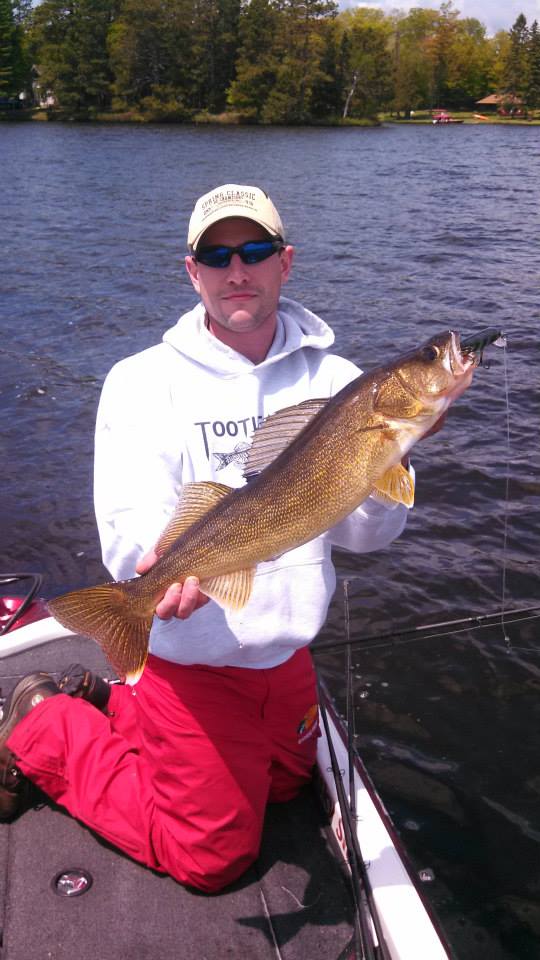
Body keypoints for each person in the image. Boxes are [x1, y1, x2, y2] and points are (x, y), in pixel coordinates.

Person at [1, 184, 415, 892]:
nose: (237, 270)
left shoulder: (341, 382)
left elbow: (369, 536)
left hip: (285, 659)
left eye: (254, 251)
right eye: (215, 255)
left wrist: (391, 459)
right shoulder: (141, 382)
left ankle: (122, 707)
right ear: (191, 271)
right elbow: (130, 524)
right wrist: (151, 574)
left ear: (286, 262)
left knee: (288, 789)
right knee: (213, 858)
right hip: (187, 664)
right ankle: (41, 722)